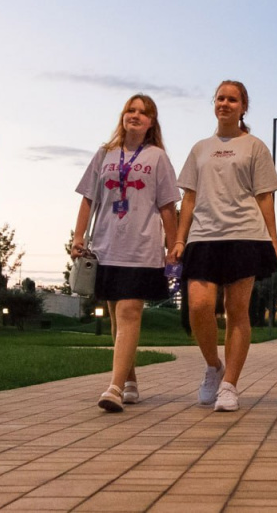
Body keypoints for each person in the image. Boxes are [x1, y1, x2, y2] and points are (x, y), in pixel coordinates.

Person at [171, 80, 277, 412]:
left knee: (237, 311)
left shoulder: (255, 146)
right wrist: (179, 238)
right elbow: (188, 197)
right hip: (203, 236)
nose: (225, 103)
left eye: (232, 99)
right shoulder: (200, 148)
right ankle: (213, 367)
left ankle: (230, 385)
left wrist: (273, 242)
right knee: (199, 307)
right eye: (220, 98)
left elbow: (265, 197)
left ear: (243, 107)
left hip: (244, 235)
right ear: (213, 104)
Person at [71, 94, 180, 412]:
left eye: (142, 113)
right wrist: (79, 236)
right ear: (122, 116)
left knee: (130, 311)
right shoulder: (104, 154)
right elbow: (88, 199)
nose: (135, 115)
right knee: (118, 319)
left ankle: (115, 387)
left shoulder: (158, 157)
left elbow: (167, 207)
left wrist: (173, 246)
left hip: (141, 249)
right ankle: (130, 379)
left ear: (151, 122)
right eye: (130, 110)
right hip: (105, 247)